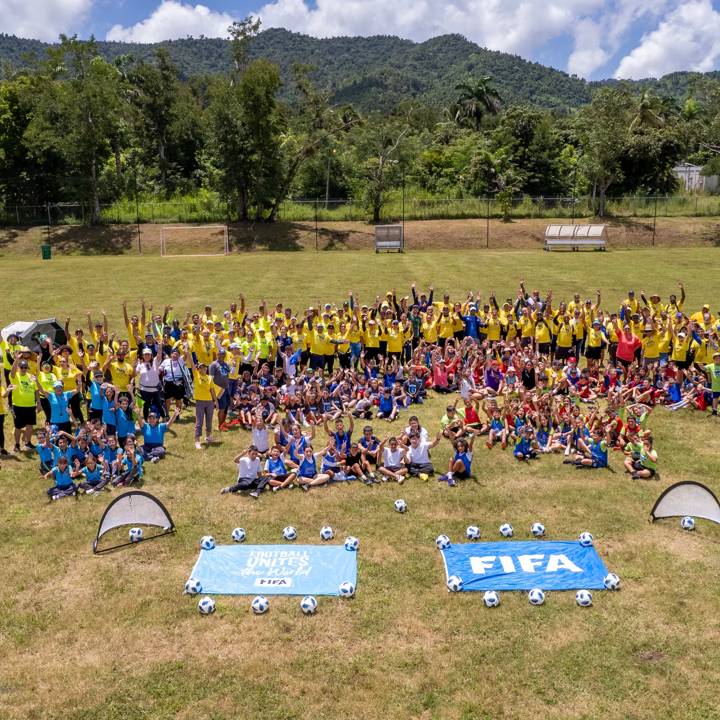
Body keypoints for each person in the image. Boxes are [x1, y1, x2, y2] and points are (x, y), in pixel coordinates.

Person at [184, 349, 219, 450]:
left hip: (209, 402)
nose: (202, 369)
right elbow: (191, 363)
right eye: (201, 368)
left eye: (204, 367)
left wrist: (216, 402)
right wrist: (188, 353)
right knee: (199, 421)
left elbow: (212, 390)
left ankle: (208, 437)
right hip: (199, 402)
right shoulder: (196, 375)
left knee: (209, 420)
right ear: (198, 369)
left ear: (206, 369)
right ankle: (197, 441)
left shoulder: (209, 378)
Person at [8, 356, 38, 452]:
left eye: (25, 367)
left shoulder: (31, 377)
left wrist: (39, 403)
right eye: (22, 367)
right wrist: (16, 359)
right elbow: (12, 371)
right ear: (18, 367)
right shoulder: (15, 376)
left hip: (31, 405)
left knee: (30, 425)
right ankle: (17, 445)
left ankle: (28, 442)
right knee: (18, 426)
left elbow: (36, 391)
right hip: (18, 405)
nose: (24, 369)